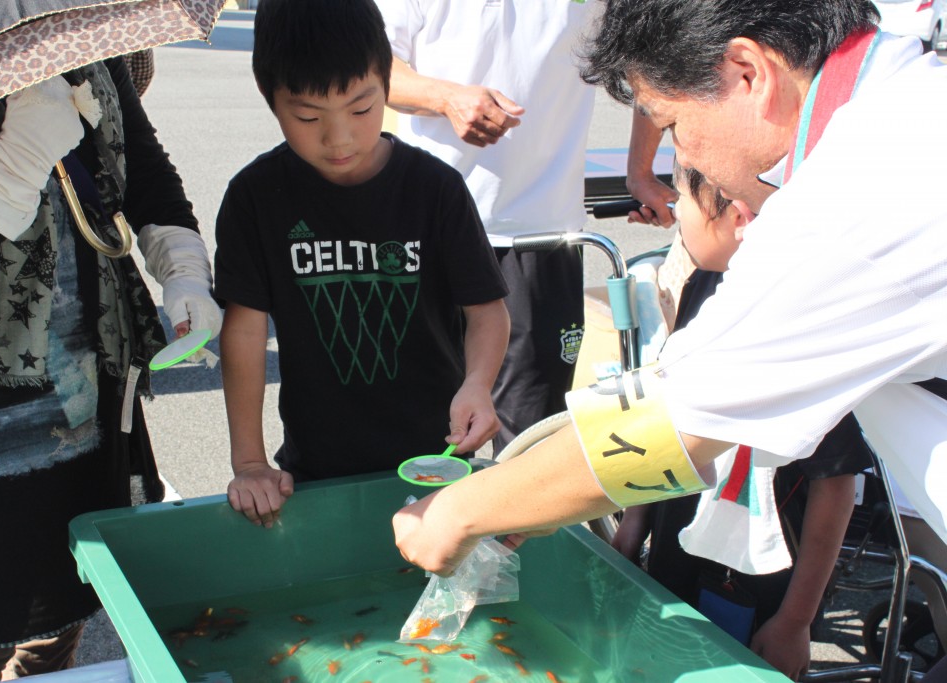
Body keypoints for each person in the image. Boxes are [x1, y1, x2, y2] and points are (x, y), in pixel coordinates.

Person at [392, 0, 947, 633]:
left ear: (747, 72)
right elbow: (686, 374)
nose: (685, 158)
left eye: (674, 125)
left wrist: (458, 513)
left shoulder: (866, 185)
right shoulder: (897, 111)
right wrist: (527, 502)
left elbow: (674, 421)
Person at [0, 58, 220, 680]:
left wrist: (183, 268)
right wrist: (20, 153)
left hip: (89, 370)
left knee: (73, 583)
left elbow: (143, 168)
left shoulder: (72, 39)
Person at [214, 0, 509, 526]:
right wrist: (250, 462)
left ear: (386, 85)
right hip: (315, 467)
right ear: (269, 96)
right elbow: (244, 332)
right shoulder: (255, 197)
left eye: (361, 109)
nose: (339, 138)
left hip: (439, 461)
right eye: (308, 117)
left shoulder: (435, 189)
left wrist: (478, 385)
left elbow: (486, 310)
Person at [610, 163, 871, 681]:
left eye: (683, 198)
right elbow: (665, 411)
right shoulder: (707, 285)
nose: (676, 212)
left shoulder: (800, 320)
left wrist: (794, 621)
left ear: (736, 216)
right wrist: (635, 521)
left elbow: (836, 482)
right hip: (676, 545)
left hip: (762, 574)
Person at [373, 0, 600, 453]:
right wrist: (446, 98)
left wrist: (640, 169)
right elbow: (371, 65)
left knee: (529, 443)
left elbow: (654, 50)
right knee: (421, 439)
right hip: (429, 229)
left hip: (541, 233)